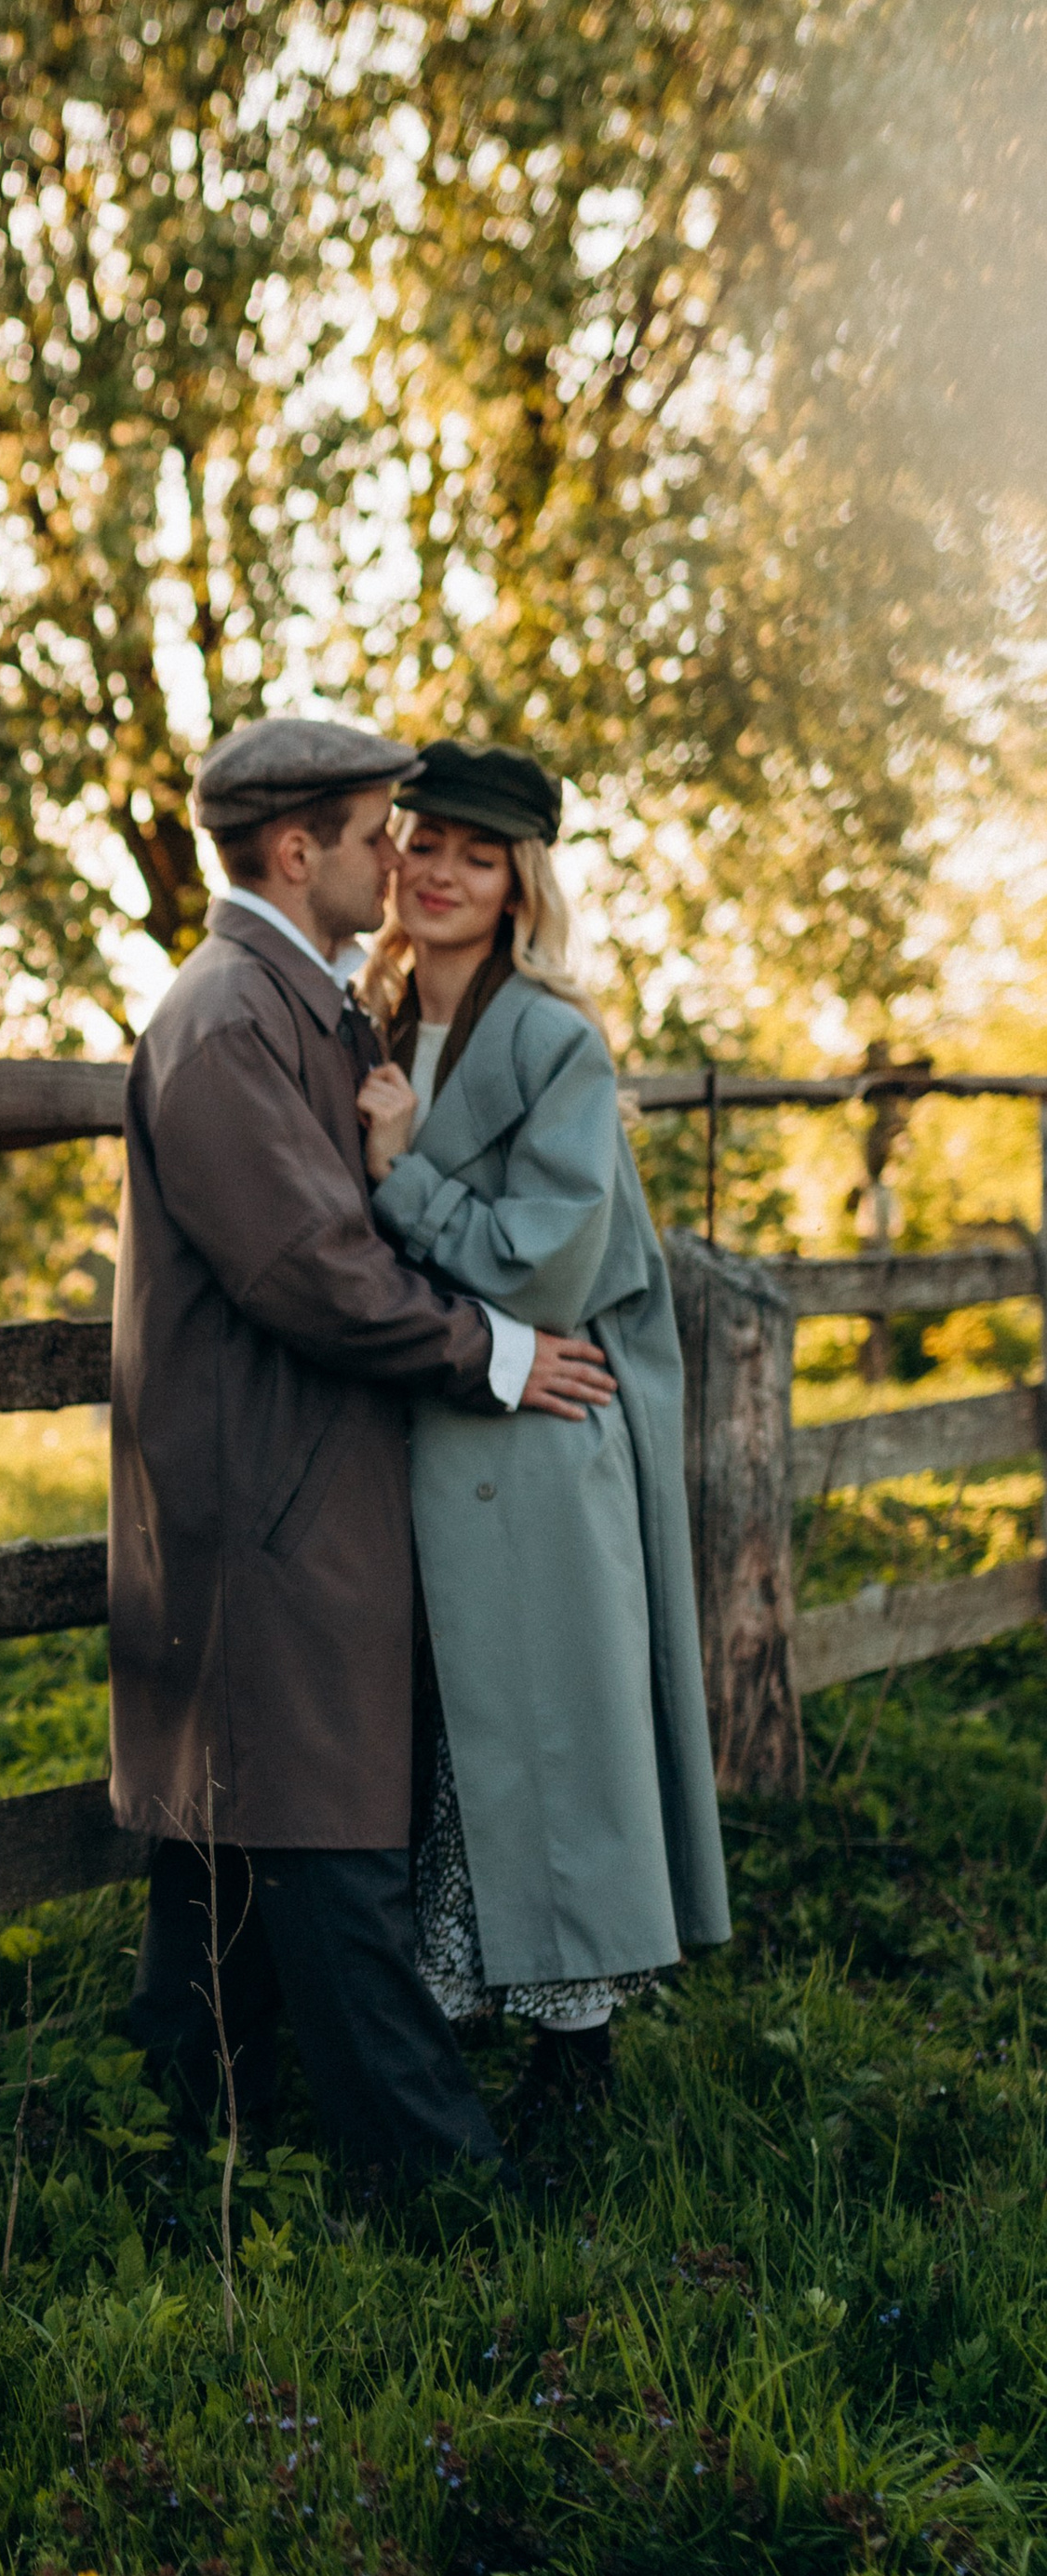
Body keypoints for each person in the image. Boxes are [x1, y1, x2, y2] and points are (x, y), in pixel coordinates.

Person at [108, 713, 616, 2186]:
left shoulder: (303, 1001)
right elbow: (310, 1270)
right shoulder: (229, 1017)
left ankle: (195, 2117)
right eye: (379, 830)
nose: (400, 856)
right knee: (327, 1845)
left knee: (239, 1831)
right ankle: (439, 2180)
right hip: (265, 1490)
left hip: (293, 1482)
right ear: (296, 850)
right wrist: (497, 1354)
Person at [353, 739, 730, 2129]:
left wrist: (400, 1174)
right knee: (444, 1747)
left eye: (479, 854)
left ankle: (576, 2070)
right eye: (424, 843)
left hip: (537, 1442)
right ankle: (445, 2039)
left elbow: (543, 1267)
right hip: (420, 1435)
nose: (442, 874)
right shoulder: (369, 1026)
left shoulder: (555, 1040)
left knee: (546, 1745)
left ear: (519, 884)